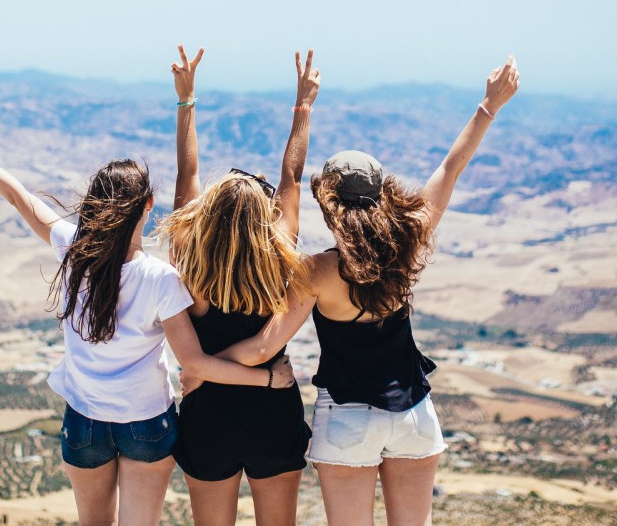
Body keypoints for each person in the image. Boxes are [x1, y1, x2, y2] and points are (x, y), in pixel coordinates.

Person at [0, 109, 295, 526]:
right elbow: (194, 364)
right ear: (148, 206)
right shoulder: (161, 280)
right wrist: (266, 378)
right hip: (145, 422)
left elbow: (19, 196)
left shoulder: (72, 248)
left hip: (84, 421)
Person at [216, 55, 521, 526]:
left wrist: (203, 365)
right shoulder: (411, 238)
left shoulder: (318, 272)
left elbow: (262, 348)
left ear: (329, 206)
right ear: (383, 196)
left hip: (348, 421)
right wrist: (489, 104)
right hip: (415, 416)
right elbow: (451, 168)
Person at [159, 46, 319, 526]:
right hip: (273, 409)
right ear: (263, 218)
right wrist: (303, 105)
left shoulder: (188, 258)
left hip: (207, 412)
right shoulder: (280, 257)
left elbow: (188, 174)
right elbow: (292, 173)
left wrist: (186, 101)